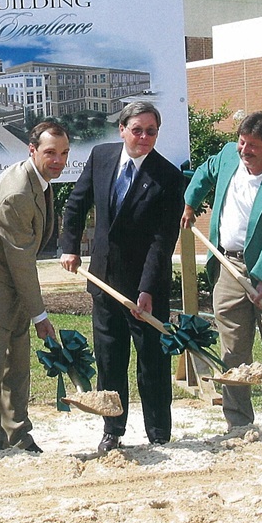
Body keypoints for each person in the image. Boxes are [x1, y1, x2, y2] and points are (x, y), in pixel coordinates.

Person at [59, 101, 185, 453]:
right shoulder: (101, 157)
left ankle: (159, 432)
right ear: (122, 130)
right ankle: (112, 430)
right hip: (104, 281)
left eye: (151, 131)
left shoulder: (168, 176)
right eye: (138, 130)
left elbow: (162, 242)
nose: (144, 137)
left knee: (152, 363)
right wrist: (69, 246)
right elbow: (76, 204)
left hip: (147, 287)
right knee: (110, 359)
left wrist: (146, 289)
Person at [182, 111, 262, 429]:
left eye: (252, 145)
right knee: (233, 348)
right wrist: (190, 204)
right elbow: (205, 173)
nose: (244, 149)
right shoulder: (227, 155)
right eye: (241, 141)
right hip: (227, 264)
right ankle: (237, 421)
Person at [0, 121, 68, 458]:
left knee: (17, 369)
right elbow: (20, 260)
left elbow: (25, 259)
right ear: (31, 150)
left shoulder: (40, 183)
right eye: (50, 152)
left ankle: (19, 437)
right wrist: (40, 315)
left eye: (63, 154)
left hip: (14, 290)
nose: (58, 160)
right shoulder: (18, 191)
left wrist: (31, 307)